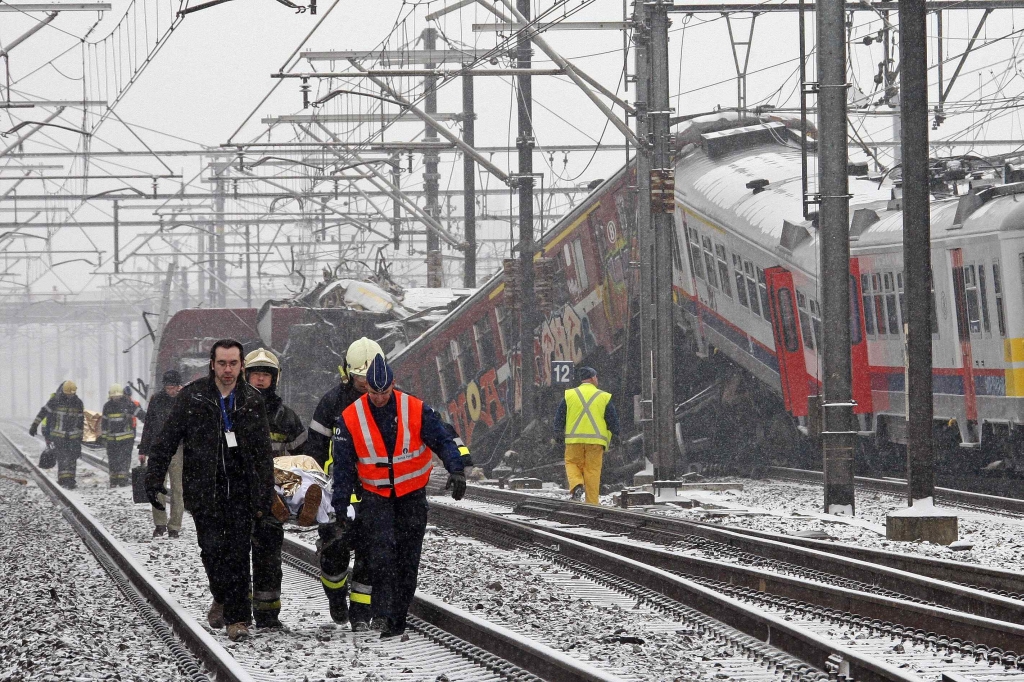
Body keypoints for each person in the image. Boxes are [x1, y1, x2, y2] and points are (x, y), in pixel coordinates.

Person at [146, 339, 274, 642]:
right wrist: (152, 478)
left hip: (241, 491)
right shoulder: (193, 398)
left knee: (240, 554)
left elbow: (262, 453)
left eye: (233, 363)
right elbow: (167, 439)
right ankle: (221, 595)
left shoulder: (252, 401)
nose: (227, 370)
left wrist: (265, 494)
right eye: (222, 363)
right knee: (212, 551)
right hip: (204, 490)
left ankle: (238, 618)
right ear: (212, 365)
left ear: (241, 365)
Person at [331, 353, 466, 639]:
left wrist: (457, 470)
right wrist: (340, 507)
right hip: (376, 497)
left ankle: (397, 617)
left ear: (393, 385)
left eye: (385, 391)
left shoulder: (415, 409)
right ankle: (383, 615)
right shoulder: (351, 417)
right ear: (366, 388)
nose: (379, 398)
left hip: (411, 496)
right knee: (382, 556)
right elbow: (342, 468)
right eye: (373, 391)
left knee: (407, 558)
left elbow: (442, 439)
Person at [307, 336, 385, 629]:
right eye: (360, 377)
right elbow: (314, 450)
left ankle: (361, 615)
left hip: (374, 493)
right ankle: (336, 596)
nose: (366, 383)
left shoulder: (390, 400)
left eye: (370, 377)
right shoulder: (331, 403)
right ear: (347, 373)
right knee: (334, 553)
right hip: (335, 494)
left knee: (370, 554)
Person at [244, 347, 307, 629]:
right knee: (234, 558)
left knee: (269, 559)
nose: (260, 380)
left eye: (265, 375)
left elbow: (303, 462)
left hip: (273, 500)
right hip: (239, 496)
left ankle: (268, 616)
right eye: (255, 374)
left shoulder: (287, 418)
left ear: (275, 378)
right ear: (246, 376)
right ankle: (238, 612)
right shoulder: (230, 411)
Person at [554, 366, 619, 505]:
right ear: (593, 378)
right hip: (595, 442)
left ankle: (576, 484)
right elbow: (612, 418)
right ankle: (592, 503)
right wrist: (616, 434)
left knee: (572, 463)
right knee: (593, 471)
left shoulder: (570, 395)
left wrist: (558, 432)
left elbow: (559, 416)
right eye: (596, 377)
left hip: (574, 441)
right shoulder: (603, 396)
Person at [139, 370, 184, 538]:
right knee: (157, 488)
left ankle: (175, 526)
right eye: (168, 387)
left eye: (173, 387)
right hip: (158, 449)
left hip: (178, 449)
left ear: (179, 386)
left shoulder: (185, 400)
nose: (170, 390)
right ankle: (160, 524)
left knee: (178, 490)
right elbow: (149, 425)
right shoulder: (156, 400)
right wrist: (143, 449)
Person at [29, 381, 84, 489]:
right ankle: (63, 480)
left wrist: (80, 437)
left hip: (73, 437)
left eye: (71, 393)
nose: (69, 395)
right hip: (59, 436)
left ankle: (71, 480)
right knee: (63, 458)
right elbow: (43, 412)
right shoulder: (55, 400)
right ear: (63, 392)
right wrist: (35, 425)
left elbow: (81, 421)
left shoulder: (78, 403)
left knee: (72, 459)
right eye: (68, 393)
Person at [99, 383, 139, 487]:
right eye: (114, 397)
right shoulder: (109, 406)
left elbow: (140, 413)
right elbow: (104, 423)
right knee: (115, 459)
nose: (116, 398)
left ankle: (121, 480)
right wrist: (103, 437)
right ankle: (114, 480)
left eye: (117, 396)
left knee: (122, 459)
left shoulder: (127, 404)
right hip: (115, 440)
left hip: (125, 439)